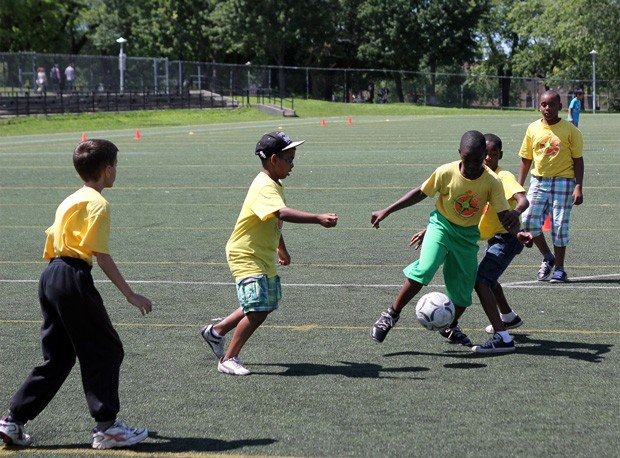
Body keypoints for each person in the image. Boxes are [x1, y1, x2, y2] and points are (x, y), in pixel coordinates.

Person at [0, 140, 152, 450]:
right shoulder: (98, 203)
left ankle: (12, 421)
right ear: (107, 169)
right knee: (107, 349)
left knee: (59, 357)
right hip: (71, 276)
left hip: (51, 275)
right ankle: (107, 428)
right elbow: (101, 254)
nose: (116, 172)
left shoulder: (70, 199)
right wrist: (130, 294)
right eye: (116, 167)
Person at [370, 130, 529, 348]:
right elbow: (420, 192)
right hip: (441, 227)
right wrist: (387, 210)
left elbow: (504, 215)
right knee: (425, 268)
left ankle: (450, 325)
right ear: (459, 154)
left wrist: (517, 233)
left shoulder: (492, 181)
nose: (472, 166)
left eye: (477, 160)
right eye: (467, 160)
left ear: (485, 156)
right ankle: (390, 315)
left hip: (467, 237)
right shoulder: (446, 172)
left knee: (462, 294)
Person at [200, 131, 338, 375]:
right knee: (258, 308)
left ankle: (216, 332)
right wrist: (317, 218)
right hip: (246, 254)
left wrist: (281, 247)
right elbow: (282, 213)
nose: (293, 165)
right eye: (289, 159)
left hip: (261, 253)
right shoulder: (264, 185)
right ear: (274, 159)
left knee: (264, 302)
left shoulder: (276, 183)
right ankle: (228, 359)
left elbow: (273, 218)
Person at [518, 89, 584, 283]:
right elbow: (526, 158)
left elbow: (578, 160)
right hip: (538, 180)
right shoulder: (532, 129)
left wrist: (578, 186)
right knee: (528, 219)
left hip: (563, 181)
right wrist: (518, 187)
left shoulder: (571, 131)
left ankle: (560, 269)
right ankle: (548, 256)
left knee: (559, 225)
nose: (547, 108)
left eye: (552, 105)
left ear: (560, 107)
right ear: (539, 106)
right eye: (543, 105)